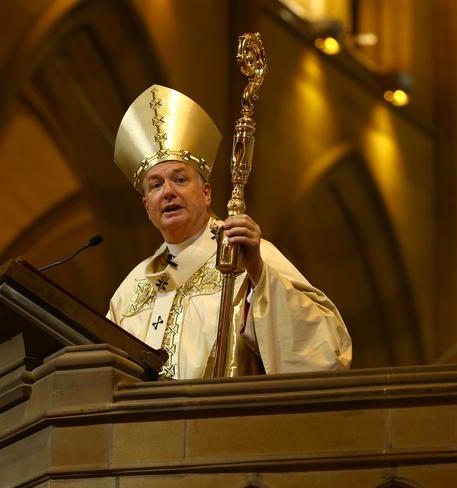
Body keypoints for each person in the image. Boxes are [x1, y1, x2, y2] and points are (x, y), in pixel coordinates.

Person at [107, 84, 352, 379]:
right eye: (156, 185)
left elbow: (325, 353)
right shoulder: (129, 292)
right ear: (147, 206)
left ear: (207, 193)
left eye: (180, 179)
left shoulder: (245, 254)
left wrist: (260, 274)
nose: (168, 192)